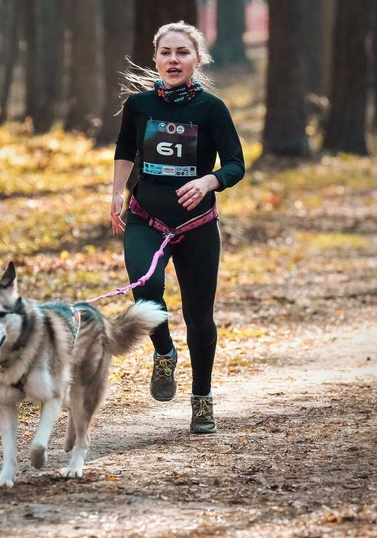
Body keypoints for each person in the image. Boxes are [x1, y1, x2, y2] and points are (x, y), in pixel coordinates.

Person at [110, 21, 245, 434]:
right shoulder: (139, 105)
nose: (174, 60)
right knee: (145, 292)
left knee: (200, 318)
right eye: (166, 52)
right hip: (146, 218)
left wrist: (209, 181)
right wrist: (116, 193)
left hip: (197, 225)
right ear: (155, 59)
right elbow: (124, 149)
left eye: (182, 53)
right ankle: (164, 352)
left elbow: (236, 164)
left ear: (197, 59)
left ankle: (202, 399)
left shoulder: (212, 109)